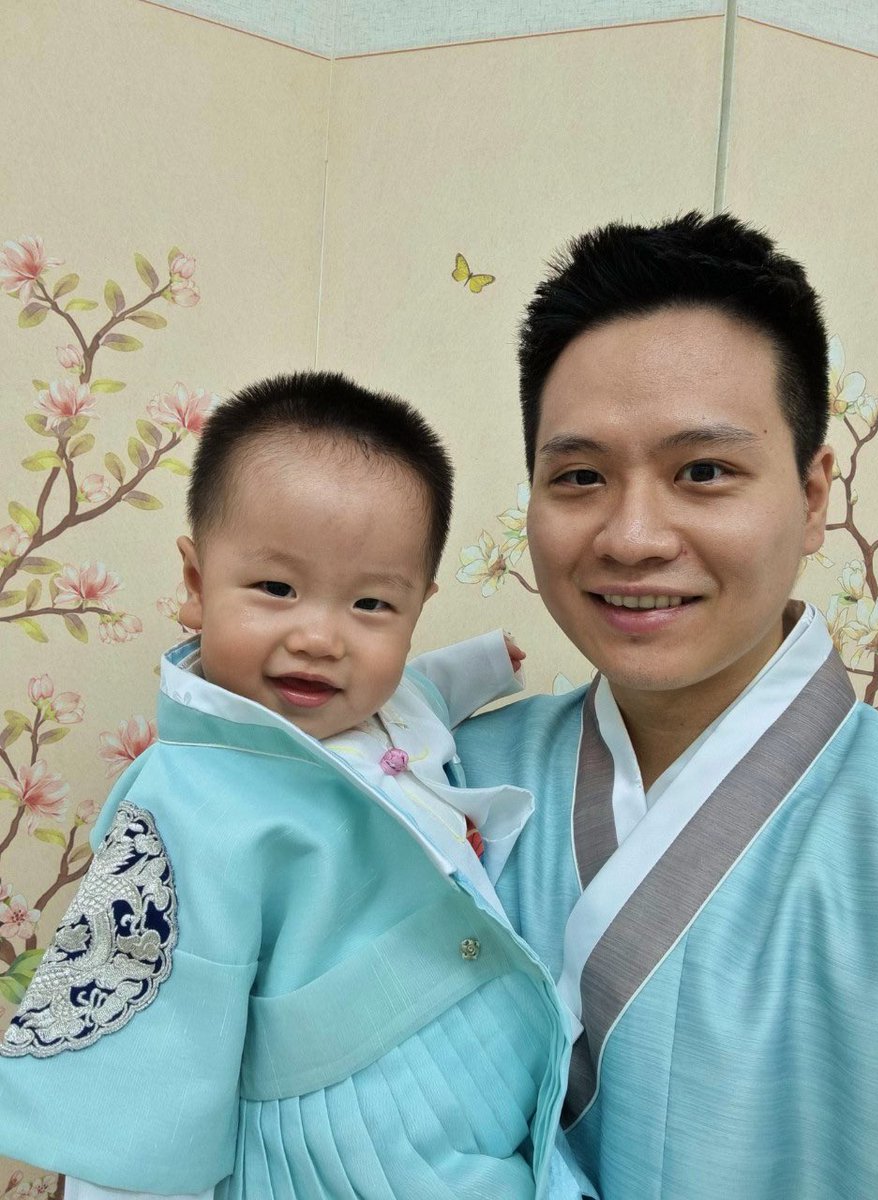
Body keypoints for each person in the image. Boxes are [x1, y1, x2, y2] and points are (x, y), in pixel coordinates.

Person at [0, 373, 586, 1200]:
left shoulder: (360, 708)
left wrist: (480, 667)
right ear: (197, 584)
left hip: (479, 1084)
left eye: (373, 603)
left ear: (417, 607)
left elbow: (409, 700)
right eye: (276, 589)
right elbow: (151, 1045)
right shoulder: (184, 802)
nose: (320, 636)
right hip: (342, 1141)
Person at [456, 212, 878, 1199]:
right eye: (579, 477)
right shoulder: (441, 783)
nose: (634, 536)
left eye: (703, 472)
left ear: (815, 491)